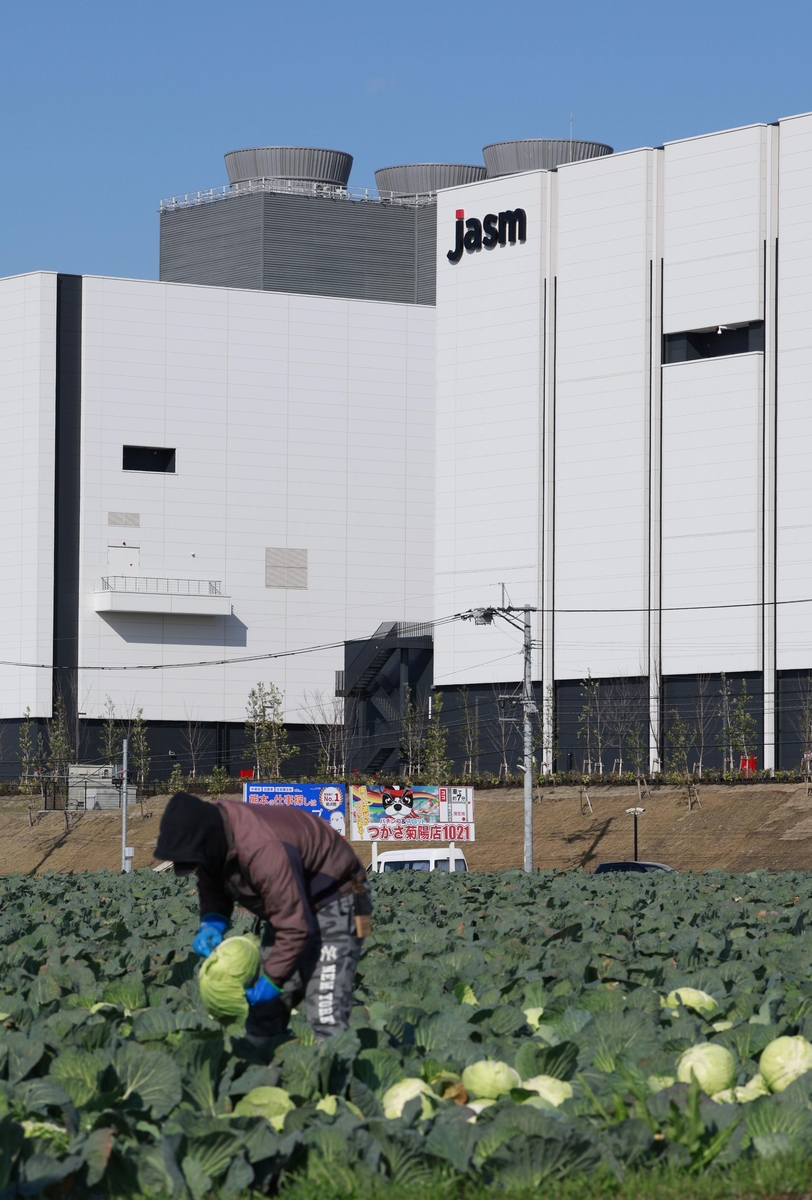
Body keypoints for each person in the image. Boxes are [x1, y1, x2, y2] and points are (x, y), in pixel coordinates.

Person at [154, 791, 371, 1047]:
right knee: (263, 1010)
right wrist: (212, 921)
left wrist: (272, 980)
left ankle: (337, 1077)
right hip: (293, 904)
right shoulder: (213, 831)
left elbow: (296, 927)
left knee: (326, 1007)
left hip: (344, 894)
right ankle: (260, 1066)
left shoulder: (262, 849)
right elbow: (212, 879)